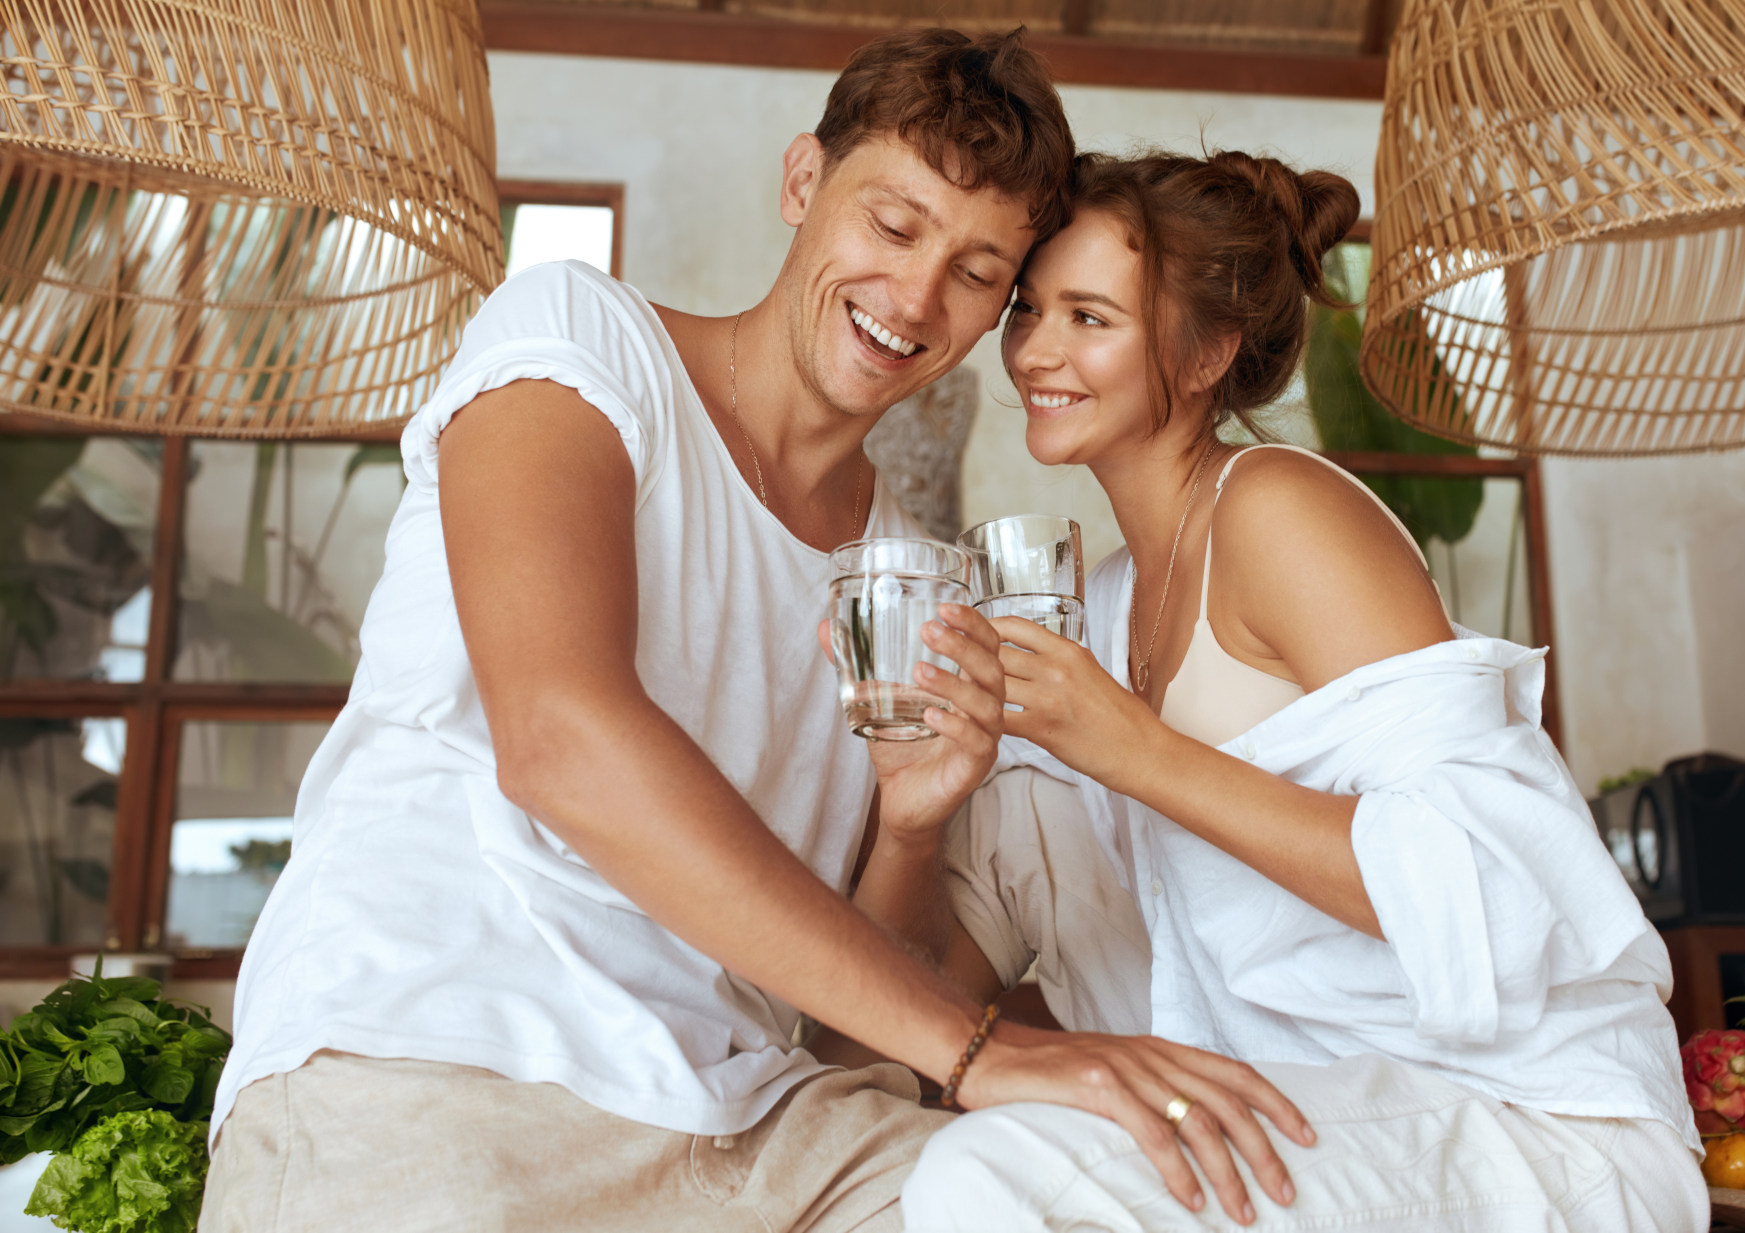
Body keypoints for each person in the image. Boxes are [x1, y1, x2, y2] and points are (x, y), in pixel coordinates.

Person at [198, 36, 1311, 1233]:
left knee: (1133, 1203)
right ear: (801, 182)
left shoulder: (906, 574)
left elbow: (845, 1029)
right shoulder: (579, 341)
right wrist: (980, 1046)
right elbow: (559, 738)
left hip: (760, 1127)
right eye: (892, 226)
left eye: (975, 270)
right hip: (438, 1067)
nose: (914, 298)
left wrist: (909, 824)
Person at [891, 150, 1708, 1230]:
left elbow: (1489, 884)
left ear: (1208, 352)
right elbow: (908, 1023)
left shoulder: (1277, 513)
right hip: (1317, 1125)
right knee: (932, 1154)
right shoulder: (1094, 607)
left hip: (1528, 1122)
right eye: (1029, 309)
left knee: (987, 1175)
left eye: (1089, 316)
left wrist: (1135, 750)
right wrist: (908, 820)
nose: (1035, 349)